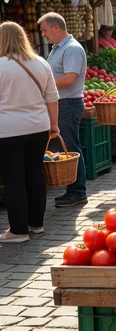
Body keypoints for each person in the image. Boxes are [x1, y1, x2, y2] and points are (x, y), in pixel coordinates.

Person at [0, 22, 59, 242]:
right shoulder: (41, 63)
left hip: (7, 130)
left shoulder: (1, 65)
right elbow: (52, 97)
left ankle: (18, 230)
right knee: (35, 174)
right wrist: (54, 124)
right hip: (38, 127)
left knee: (13, 178)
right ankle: (36, 224)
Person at [38, 13, 88, 208]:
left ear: (56, 27)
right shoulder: (58, 48)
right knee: (69, 148)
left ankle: (78, 192)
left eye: (45, 30)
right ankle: (74, 190)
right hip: (63, 103)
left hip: (68, 103)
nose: (43, 34)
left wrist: (43, 84)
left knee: (71, 148)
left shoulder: (72, 49)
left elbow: (69, 78)